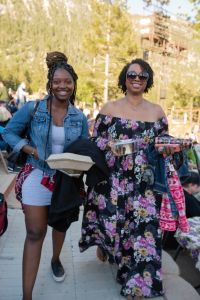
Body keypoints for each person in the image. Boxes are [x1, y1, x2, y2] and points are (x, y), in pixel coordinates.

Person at [79, 58, 168, 300]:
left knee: (142, 231)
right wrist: (110, 144)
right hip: (115, 179)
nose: (137, 79)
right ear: (124, 78)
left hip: (144, 183)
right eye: (132, 75)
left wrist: (170, 147)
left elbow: (163, 144)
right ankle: (108, 249)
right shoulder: (109, 108)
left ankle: (138, 283)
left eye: (143, 76)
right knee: (116, 228)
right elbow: (95, 141)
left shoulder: (157, 111)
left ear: (148, 80)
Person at [3, 51, 89, 300]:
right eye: (57, 82)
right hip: (37, 175)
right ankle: (26, 296)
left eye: (68, 82)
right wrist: (30, 149)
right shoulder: (34, 109)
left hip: (66, 179)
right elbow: (8, 133)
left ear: (74, 85)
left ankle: (55, 259)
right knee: (35, 232)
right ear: (50, 84)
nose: (63, 86)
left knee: (60, 224)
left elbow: (83, 147)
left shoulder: (79, 117)